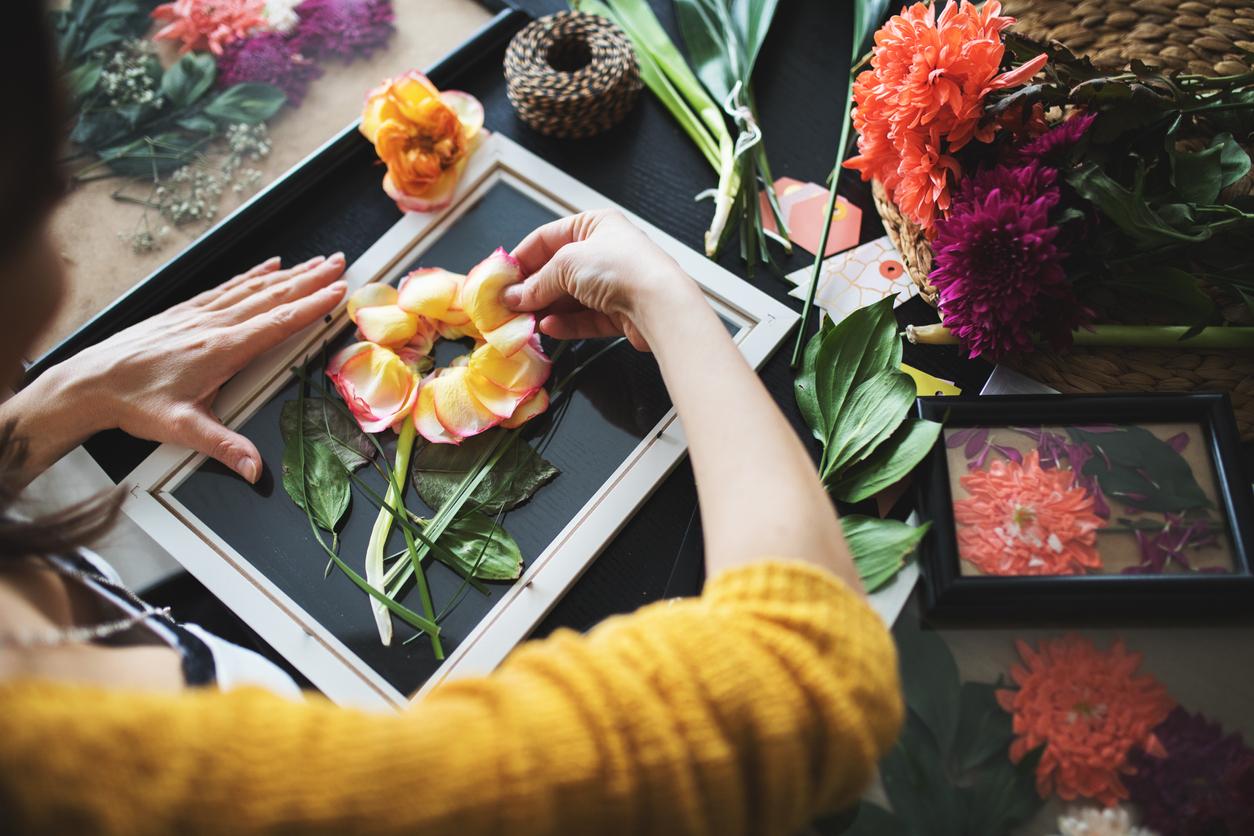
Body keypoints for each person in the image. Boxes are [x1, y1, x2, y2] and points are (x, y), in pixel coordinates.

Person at [0, 3, 901, 833]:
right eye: (49, 196)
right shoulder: (239, 792)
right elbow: (806, 670)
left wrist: (51, 404)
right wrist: (671, 301)